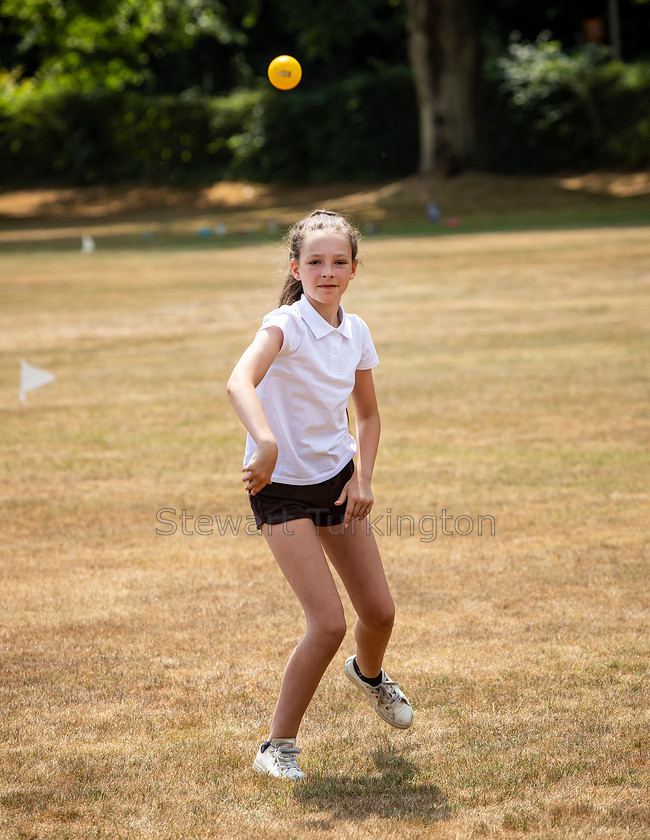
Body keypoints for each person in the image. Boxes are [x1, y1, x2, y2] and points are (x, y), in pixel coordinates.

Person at [227, 209, 413, 780]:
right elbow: (239, 380)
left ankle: (371, 675)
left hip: (336, 482)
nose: (326, 271)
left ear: (354, 270)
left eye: (338, 262)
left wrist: (363, 477)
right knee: (328, 622)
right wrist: (264, 441)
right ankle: (276, 747)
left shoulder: (356, 332)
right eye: (315, 261)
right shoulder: (283, 323)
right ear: (296, 267)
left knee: (379, 612)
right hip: (278, 488)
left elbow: (370, 415)